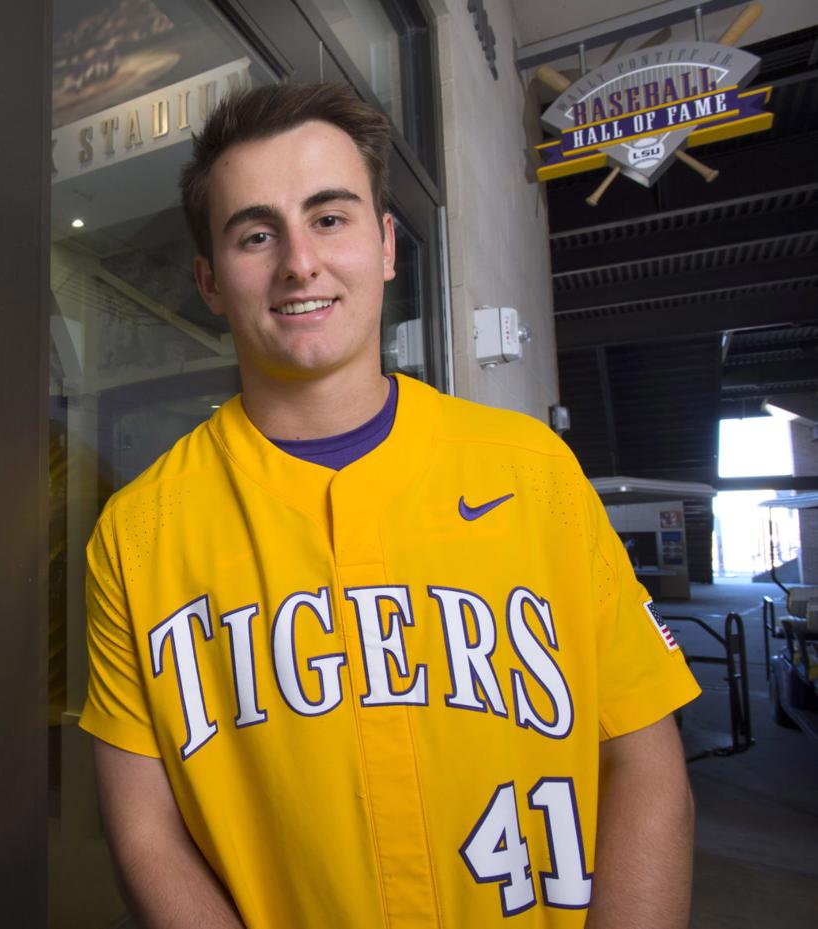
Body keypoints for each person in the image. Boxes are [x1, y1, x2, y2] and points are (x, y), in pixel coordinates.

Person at [78, 82, 699, 929]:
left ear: (386, 247)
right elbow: (144, 832)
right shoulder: (137, 535)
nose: (300, 261)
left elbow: (645, 763)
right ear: (211, 281)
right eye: (257, 234)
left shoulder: (535, 472)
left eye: (329, 218)